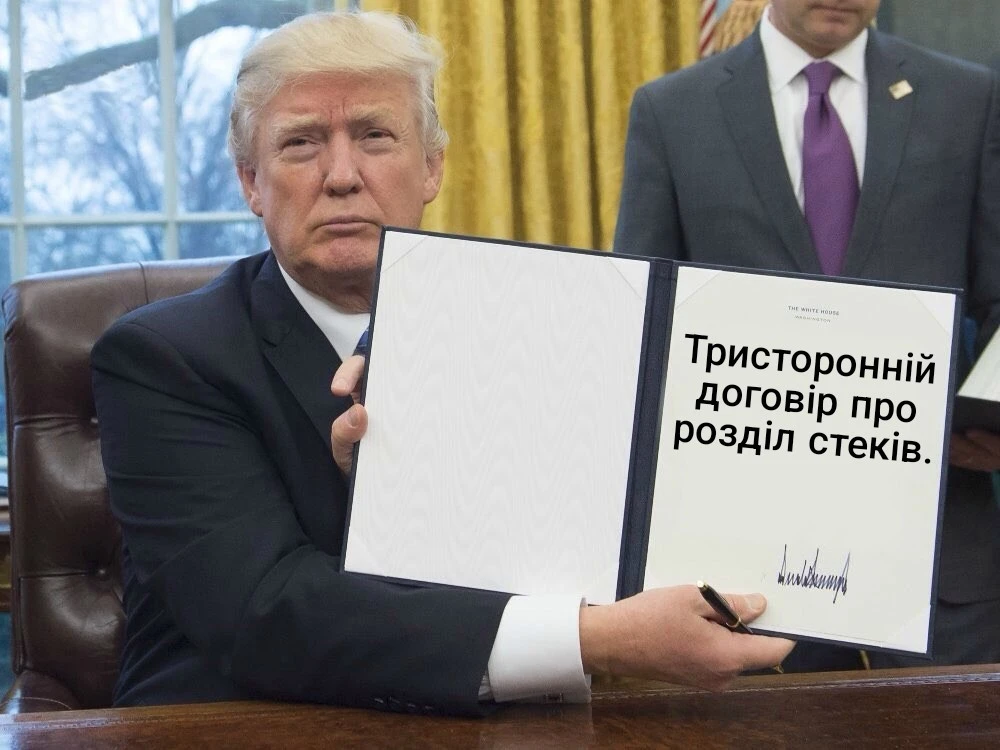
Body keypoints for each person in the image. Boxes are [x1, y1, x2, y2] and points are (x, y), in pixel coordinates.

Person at [91, 11, 792, 714]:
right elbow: (265, 614)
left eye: (375, 136)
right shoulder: (163, 358)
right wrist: (597, 639)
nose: (342, 176)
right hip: (237, 725)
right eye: (302, 143)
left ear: (432, 167)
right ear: (250, 181)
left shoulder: (542, 334)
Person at [613, 0, 1000, 669]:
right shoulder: (673, 111)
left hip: (938, 553)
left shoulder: (968, 99)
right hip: (747, 567)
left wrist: (986, 419)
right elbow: (642, 320)